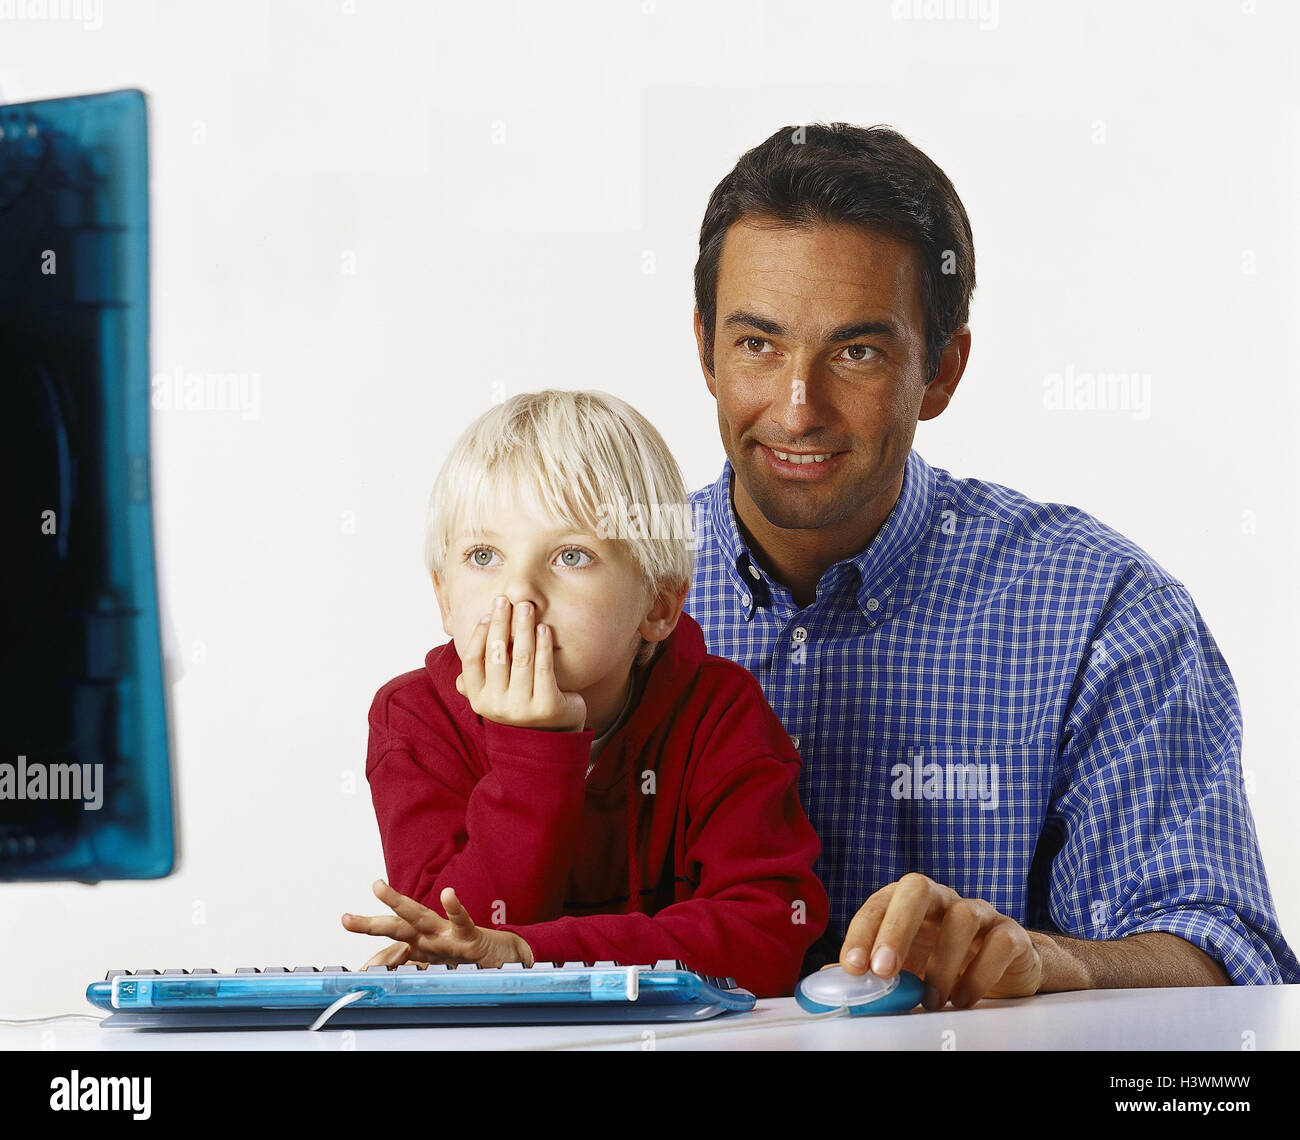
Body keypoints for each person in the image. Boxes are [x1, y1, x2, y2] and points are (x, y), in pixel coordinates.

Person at [684, 121, 1300, 1009]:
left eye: (856, 351)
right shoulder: (579, 585)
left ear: (942, 370)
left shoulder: (1103, 611)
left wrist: (1054, 963)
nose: (797, 406)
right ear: (705, 347)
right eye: (758, 344)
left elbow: (1227, 959)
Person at [341, 389, 829, 998]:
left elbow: (766, 938)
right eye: (483, 555)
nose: (518, 592)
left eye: (571, 555)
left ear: (658, 605)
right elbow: (449, 948)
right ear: (443, 596)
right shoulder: (413, 719)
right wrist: (533, 757)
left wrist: (526, 951)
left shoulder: (721, 713)